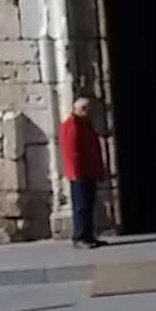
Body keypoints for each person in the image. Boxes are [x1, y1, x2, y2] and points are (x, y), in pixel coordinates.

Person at [58, 96, 107, 249]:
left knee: (88, 205)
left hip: (88, 171)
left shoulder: (84, 124)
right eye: (87, 109)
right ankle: (80, 237)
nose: (90, 112)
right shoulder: (72, 124)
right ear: (80, 109)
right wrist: (75, 172)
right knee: (81, 206)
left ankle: (88, 235)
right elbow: (71, 151)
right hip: (80, 173)